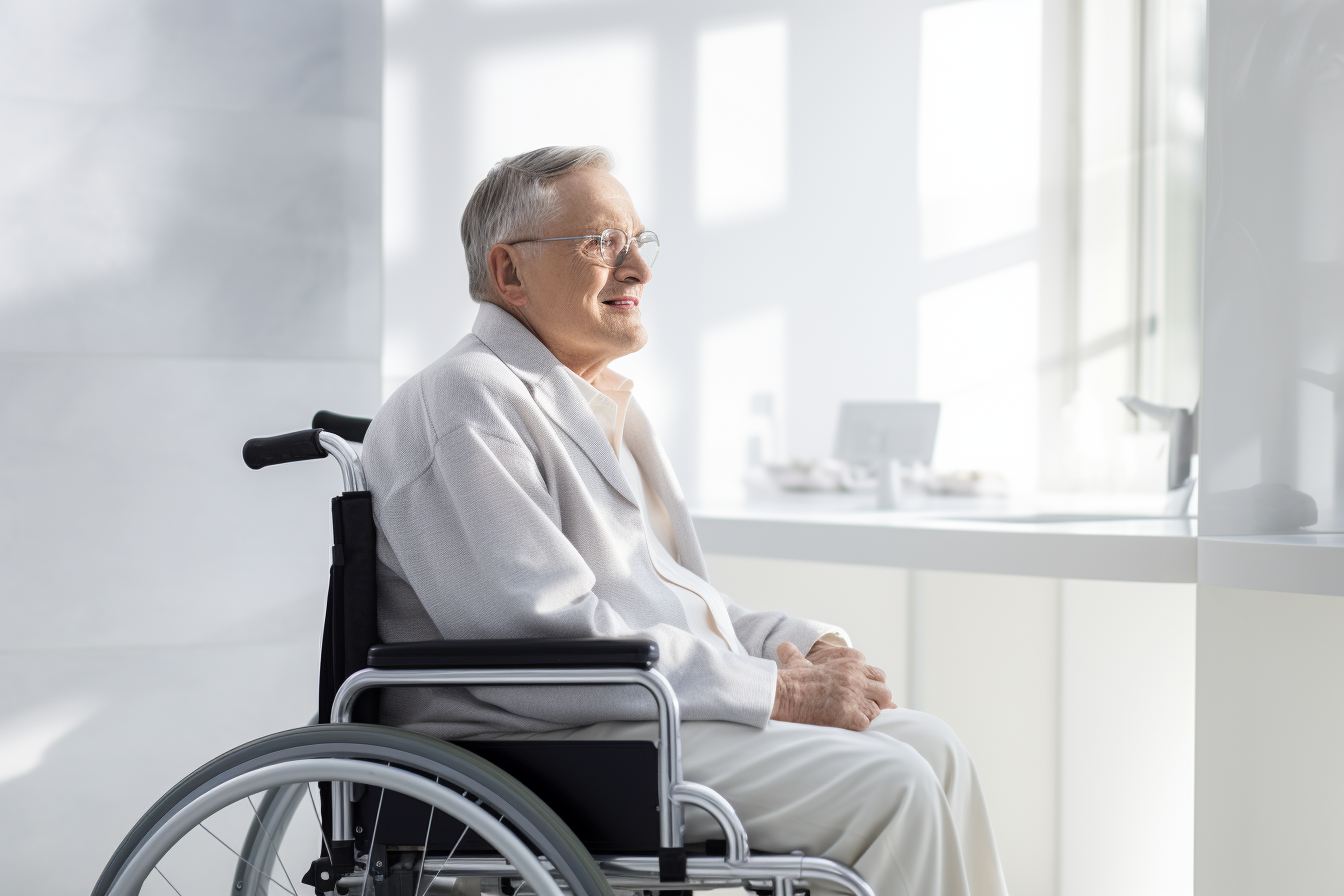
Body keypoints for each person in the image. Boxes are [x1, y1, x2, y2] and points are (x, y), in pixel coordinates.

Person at [360, 146, 1008, 896]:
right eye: (603, 243)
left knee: (935, 748)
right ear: (510, 273)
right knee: (892, 783)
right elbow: (542, 645)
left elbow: (674, 603)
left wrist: (799, 643)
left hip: (628, 715)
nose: (637, 268)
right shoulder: (465, 401)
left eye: (638, 242)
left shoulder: (598, 404)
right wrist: (781, 692)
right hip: (535, 742)